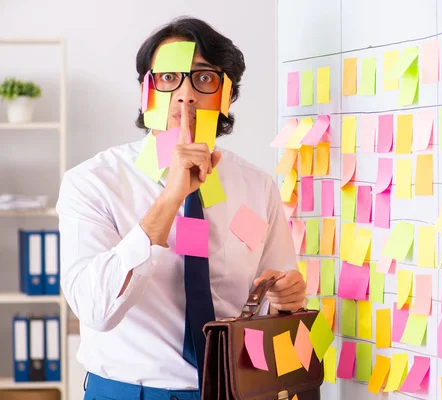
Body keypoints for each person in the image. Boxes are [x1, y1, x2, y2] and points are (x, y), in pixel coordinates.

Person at [56, 16, 306, 400]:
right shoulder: (92, 183)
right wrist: (171, 196)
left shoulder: (256, 188)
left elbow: (272, 305)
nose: (185, 95)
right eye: (168, 78)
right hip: (128, 393)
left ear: (227, 96)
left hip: (233, 390)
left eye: (204, 78)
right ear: (146, 91)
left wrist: (284, 300)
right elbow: (96, 310)